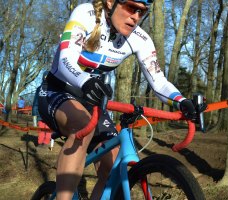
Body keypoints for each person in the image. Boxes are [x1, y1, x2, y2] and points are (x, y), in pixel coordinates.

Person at [36, 0, 198, 199]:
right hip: (56, 90)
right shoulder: (85, 14)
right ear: (110, 2)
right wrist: (85, 81)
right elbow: (65, 59)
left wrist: (181, 101)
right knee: (82, 126)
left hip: (92, 101)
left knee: (112, 167)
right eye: (131, 8)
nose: (136, 17)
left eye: (142, 12)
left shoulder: (140, 39)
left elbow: (159, 81)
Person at [33, 72, 52, 148]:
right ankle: (40, 143)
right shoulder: (39, 89)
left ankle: (46, 143)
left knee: (48, 130)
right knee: (41, 130)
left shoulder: (53, 89)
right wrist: (34, 115)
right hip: (40, 114)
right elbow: (35, 102)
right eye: (45, 77)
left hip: (49, 114)